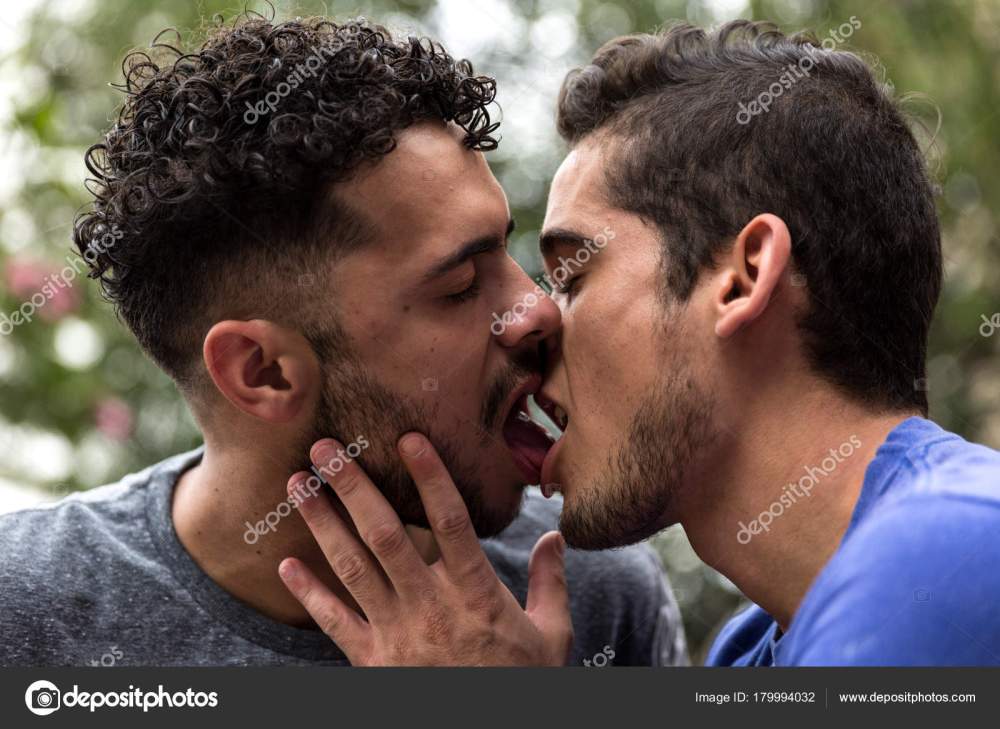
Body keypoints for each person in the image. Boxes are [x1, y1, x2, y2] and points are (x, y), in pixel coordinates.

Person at [280, 20, 1000, 667]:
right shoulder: (751, 648)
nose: (536, 319)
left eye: (573, 274)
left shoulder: (940, 559)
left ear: (742, 277)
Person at [0, 15, 686, 667]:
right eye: (457, 287)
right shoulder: (27, 612)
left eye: (506, 250)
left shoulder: (590, 592)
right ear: (262, 372)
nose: (538, 307)